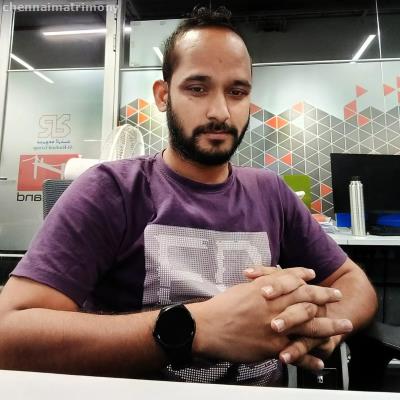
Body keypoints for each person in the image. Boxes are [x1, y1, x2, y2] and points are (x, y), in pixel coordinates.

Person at [0, 6, 376, 386]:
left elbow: (353, 282)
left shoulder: (270, 192)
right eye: (197, 88)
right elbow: (9, 333)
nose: (220, 112)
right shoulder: (111, 190)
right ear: (163, 95)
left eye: (237, 92)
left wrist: (321, 325)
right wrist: (193, 328)